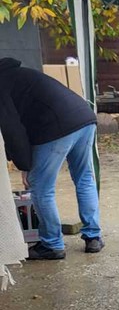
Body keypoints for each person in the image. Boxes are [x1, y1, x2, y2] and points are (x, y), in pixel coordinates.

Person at [0, 58, 103, 259]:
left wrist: (24, 165)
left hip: (56, 128)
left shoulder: (1, 85)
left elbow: (14, 132)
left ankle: (52, 245)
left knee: (40, 188)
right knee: (84, 179)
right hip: (84, 118)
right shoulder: (21, 74)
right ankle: (93, 237)